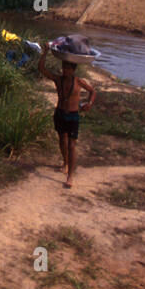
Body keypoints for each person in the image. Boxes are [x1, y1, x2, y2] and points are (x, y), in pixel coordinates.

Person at [38, 45, 97, 189]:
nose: (65, 71)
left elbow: (92, 91)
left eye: (68, 69)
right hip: (60, 113)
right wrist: (44, 53)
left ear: (73, 70)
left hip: (73, 115)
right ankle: (65, 162)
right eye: (64, 68)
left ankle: (70, 175)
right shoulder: (59, 80)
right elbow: (42, 69)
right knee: (62, 141)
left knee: (72, 145)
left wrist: (89, 103)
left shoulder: (78, 82)